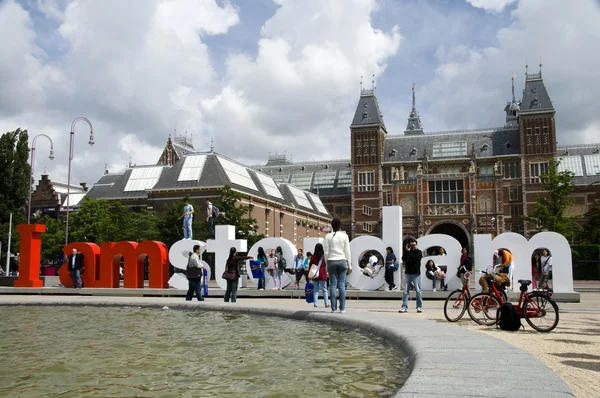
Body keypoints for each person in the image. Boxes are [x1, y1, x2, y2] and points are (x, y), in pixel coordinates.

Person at [324, 218, 352, 314]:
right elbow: (347, 252)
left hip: (331, 261)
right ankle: (342, 308)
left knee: (332, 285)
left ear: (331, 226)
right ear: (340, 226)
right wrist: (350, 264)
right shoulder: (345, 236)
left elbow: (326, 252)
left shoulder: (328, 236)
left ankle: (333, 308)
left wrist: (326, 263)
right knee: (341, 285)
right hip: (342, 260)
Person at [399, 239, 423, 313]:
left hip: (416, 273)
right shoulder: (408, 251)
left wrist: (409, 252)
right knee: (406, 291)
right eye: (411, 245)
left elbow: (416, 258)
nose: (412, 246)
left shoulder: (419, 252)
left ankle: (419, 307)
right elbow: (403, 258)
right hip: (408, 273)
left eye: (414, 245)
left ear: (416, 245)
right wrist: (406, 251)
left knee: (418, 291)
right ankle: (404, 307)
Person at [309, 243, 329, 308]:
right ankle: (326, 304)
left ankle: (315, 303)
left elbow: (310, 266)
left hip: (315, 275)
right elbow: (325, 265)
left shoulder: (313, 257)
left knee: (315, 290)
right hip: (322, 274)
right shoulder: (323, 257)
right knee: (325, 289)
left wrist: (310, 274)